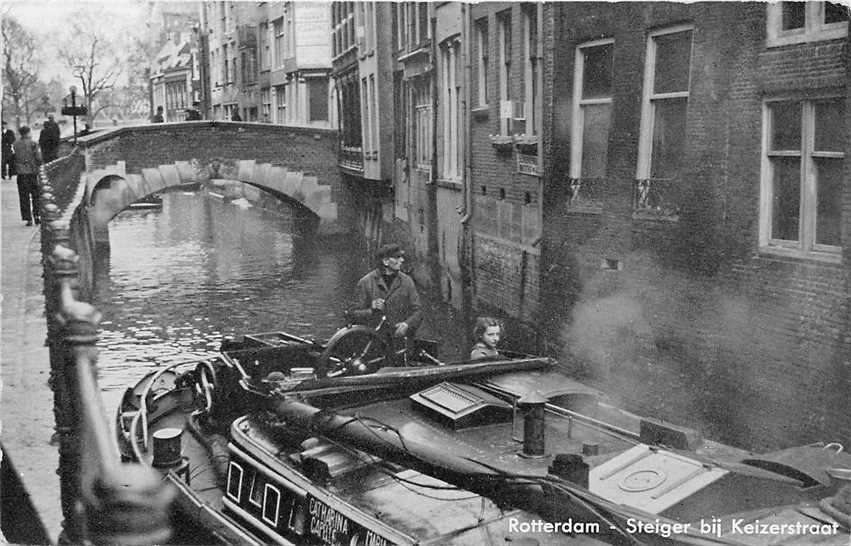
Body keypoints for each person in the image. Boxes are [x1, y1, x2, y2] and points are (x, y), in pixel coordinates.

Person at [350, 243, 423, 341]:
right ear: (386, 261)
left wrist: (406, 324)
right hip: (373, 343)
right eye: (397, 257)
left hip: (399, 341)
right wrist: (371, 309)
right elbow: (352, 315)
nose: (402, 260)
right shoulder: (365, 282)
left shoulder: (407, 281)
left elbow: (418, 311)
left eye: (401, 257)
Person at [12, 126, 41, 226]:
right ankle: (37, 215)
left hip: (21, 173)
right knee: (35, 195)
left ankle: (28, 218)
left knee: (24, 196)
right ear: (28, 133)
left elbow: (13, 158)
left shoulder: (15, 144)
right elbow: (38, 157)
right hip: (32, 172)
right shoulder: (33, 144)